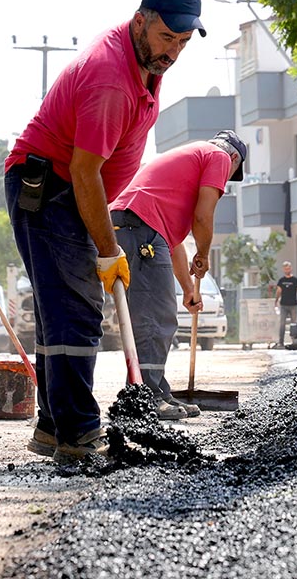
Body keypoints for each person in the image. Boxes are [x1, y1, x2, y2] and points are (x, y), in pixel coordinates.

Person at [5, 0, 204, 464]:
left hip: (68, 191)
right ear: (140, 21)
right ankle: (78, 432)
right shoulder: (110, 77)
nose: (173, 52)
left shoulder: (145, 61)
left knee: (61, 310)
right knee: (76, 310)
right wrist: (110, 248)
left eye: (182, 43)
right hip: (50, 189)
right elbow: (83, 170)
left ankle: (54, 425)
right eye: (166, 38)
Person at [108, 130, 245, 419]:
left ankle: (157, 392)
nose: (224, 182)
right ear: (234, 158)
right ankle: (144, 398)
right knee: (155, 316)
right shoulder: (219, 156)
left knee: (155, 313)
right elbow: (203, 216)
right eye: (231, 175)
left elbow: (173, 243)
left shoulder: (189, 161)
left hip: (135, 226)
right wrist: (205, 254)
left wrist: (187, 288)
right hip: (138, 227)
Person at [274, 262, 297, 348]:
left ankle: (294, 341)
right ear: (283, 270)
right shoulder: (281, 280)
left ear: (291, 269)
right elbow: (278, 291)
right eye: (285, 269)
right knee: (282, 323)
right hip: (283, 305)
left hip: (293, 304)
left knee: (293, 324)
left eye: (288, 268)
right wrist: (276, 300)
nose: (287, 270)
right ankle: (281, 342)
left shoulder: (295, 280)